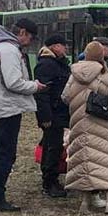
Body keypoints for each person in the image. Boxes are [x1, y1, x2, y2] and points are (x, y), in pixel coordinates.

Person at [0, 18, 46, 213]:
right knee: (6, 155)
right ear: (23, 32)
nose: (30, 43)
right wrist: (35, 86)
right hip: (6, 108)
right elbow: (13, 82)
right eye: (31, 38)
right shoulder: (9, 50)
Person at [64, 41, 108, 214]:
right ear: (101, 56)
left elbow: (65, 96)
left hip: (80, 123)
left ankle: (85, 203)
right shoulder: (106, 75)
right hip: (102, 124)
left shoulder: (74, 74)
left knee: (86, 161)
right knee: (105, 160)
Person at [34, 33, 71, 199]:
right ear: (55, 46)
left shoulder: (57, 63)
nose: (66, 48)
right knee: (52, 147)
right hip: (53, 114)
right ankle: (49, 182)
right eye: (63, 45)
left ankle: (51, 179)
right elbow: (42, 94)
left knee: (55, 146)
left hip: (59, 113)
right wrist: (45, 117)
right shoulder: (47, 65)